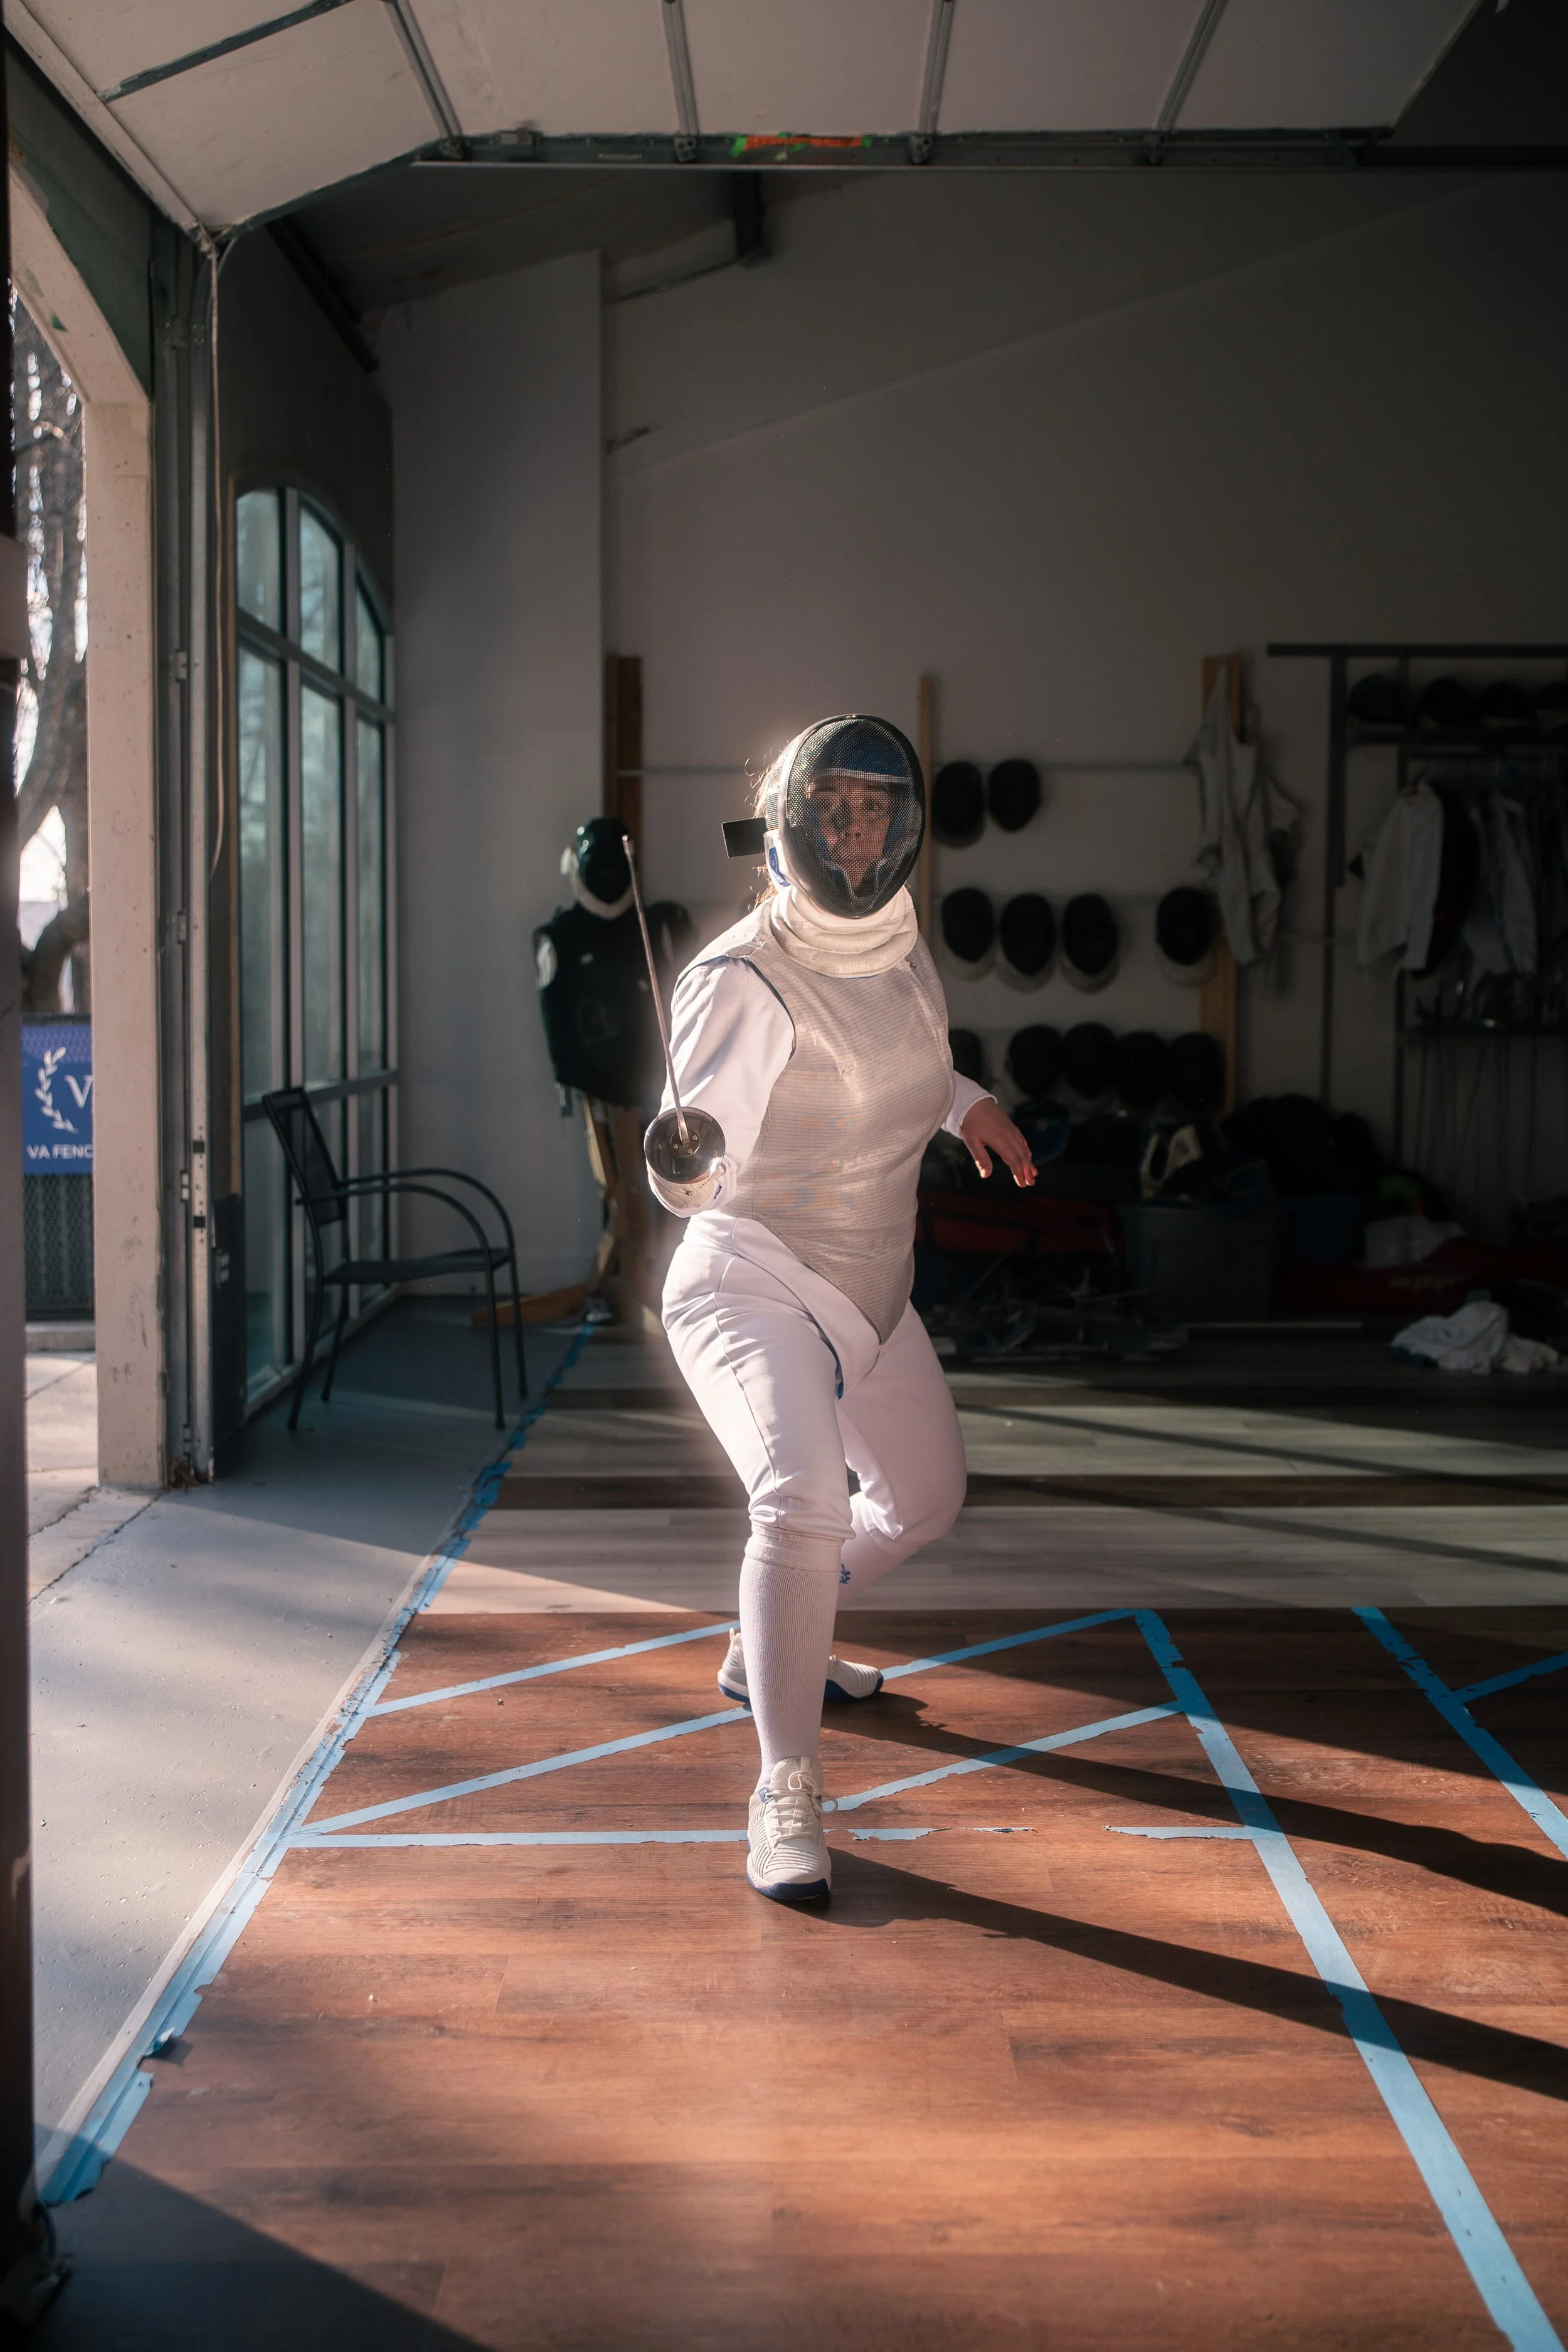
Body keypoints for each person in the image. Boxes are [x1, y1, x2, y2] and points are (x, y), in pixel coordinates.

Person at [644, 715, 1035, 1904]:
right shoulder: (741, 976)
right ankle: (787, 1785)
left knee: (922, 1499)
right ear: (790, 822)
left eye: (876, 806)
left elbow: (898, 1063)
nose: (856, 826)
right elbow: (694, 1154)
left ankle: (767, 1640)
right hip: (754, 1278)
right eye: (835, 807)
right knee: (803, 1501)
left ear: (901, 824)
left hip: (869, 1287)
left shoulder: (899, 942)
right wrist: (685, 1158)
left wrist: (964, 1104)